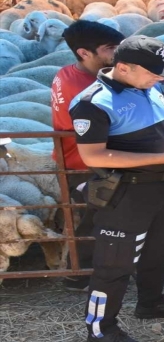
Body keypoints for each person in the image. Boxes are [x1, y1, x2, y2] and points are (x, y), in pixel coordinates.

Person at [69, 35, 164, 342]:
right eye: (153, 72)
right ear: (124, 67)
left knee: (160, 249)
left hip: (162, 188)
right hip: (125, 193)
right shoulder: (94, 103)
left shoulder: (150, 87)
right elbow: (93, 155)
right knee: (113, 264)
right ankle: (100, 329)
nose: (160, 78)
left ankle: (151, 302)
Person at [51, 20, 125, 292]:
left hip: (75, 157)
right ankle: (78, 275)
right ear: (84, 53)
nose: (117, 53)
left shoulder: (67, 73)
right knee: (94, 220)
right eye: (110, 48)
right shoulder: (87, 88)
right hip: (86, 161)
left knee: (92, 217)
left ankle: (87, 271)